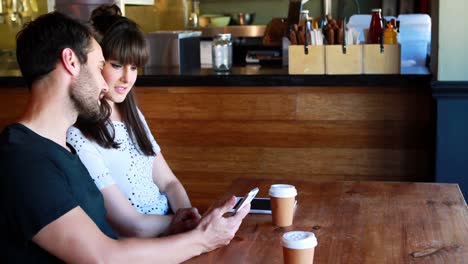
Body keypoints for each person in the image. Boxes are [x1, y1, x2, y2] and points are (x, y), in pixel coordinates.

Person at [0, 11, 249, 263]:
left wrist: (179, 229)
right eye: (100, 67)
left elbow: (107, 242)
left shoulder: (60, 150)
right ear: (71, 62)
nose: (105, 85)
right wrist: (202, 238)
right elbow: (102, 257)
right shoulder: (24, 162)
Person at [66, 4, 196, 238]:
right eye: (116, 65)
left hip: (170, 228)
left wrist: (189, 215)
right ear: (95, 63)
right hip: (137, 243)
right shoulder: (77, 133)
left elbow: (168, 183)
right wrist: (184, 226)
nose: (127, 78)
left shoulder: (130, 111)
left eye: (134, 67)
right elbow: (129, 224)